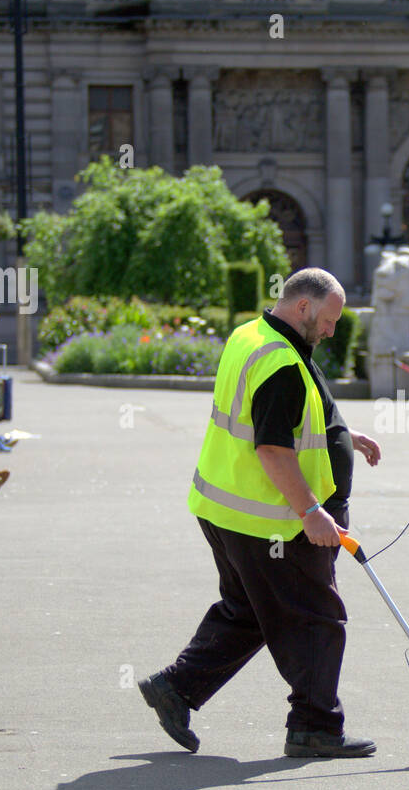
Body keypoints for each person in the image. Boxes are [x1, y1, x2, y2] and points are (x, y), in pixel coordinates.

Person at [140, 267, 383, 758]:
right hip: (270, 522)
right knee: (316, 618)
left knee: (251, 609)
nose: (333, 330)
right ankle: (315, 727)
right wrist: (312, 511)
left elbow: (279, 415)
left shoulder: (252, 334)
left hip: (223, 508)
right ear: (303, 307)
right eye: (330, 319)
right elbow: (272, 448)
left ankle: (176, 688)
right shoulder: (281, 364)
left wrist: (340, 433)